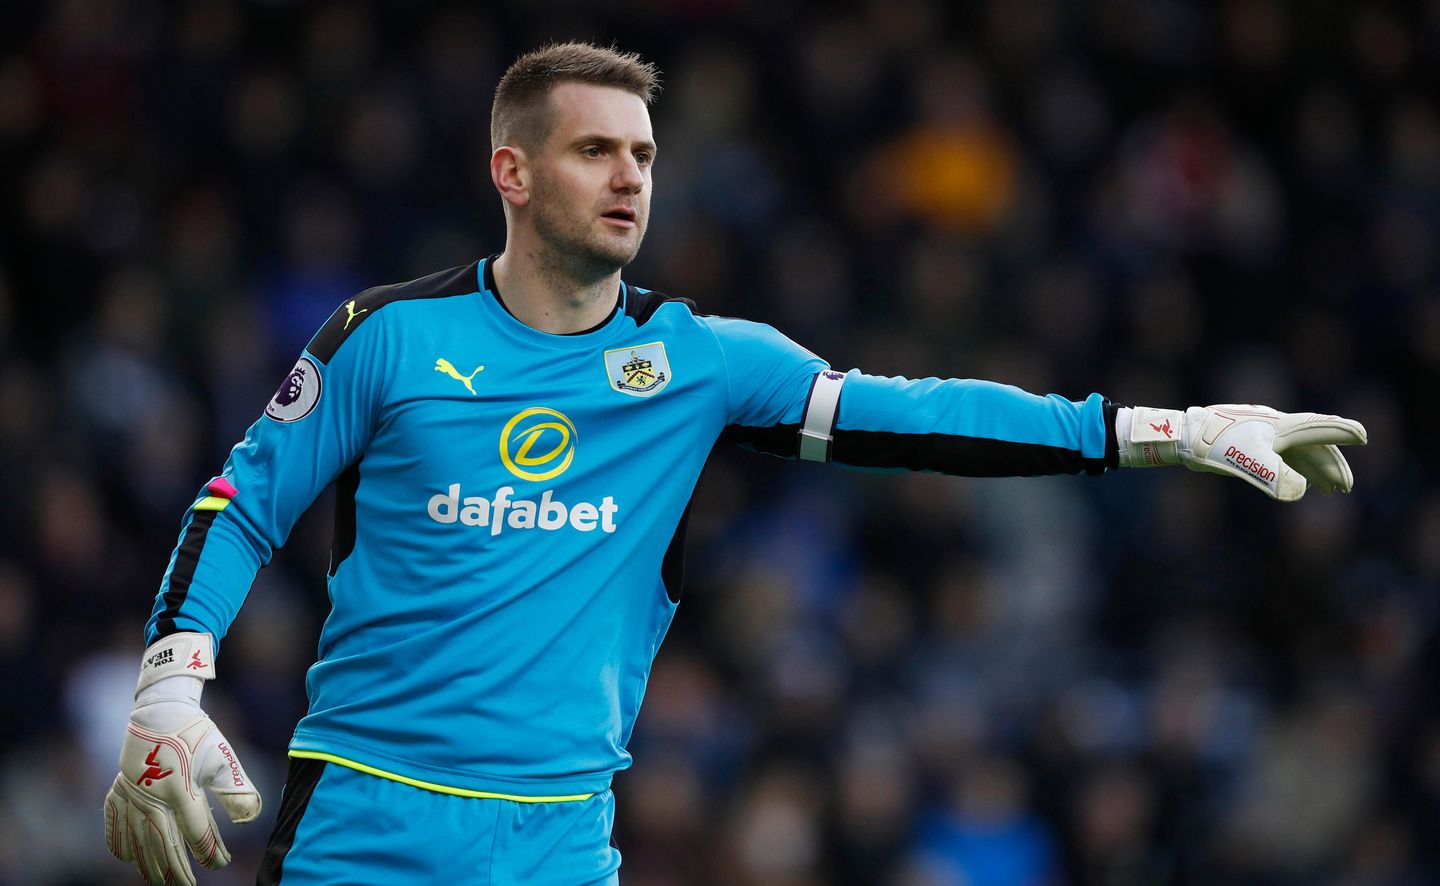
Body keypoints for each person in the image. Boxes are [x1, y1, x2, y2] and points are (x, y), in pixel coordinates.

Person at [102, 42, 1367, 885]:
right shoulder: (388, 338)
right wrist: (168, 686)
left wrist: (1165, 431)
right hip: (367, 812)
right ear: (512, 170)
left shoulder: (698, 360)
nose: (631, 177)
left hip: (559, 835)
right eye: (598, 150)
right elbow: (239, 502)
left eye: (646, 156)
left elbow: (917, 415)